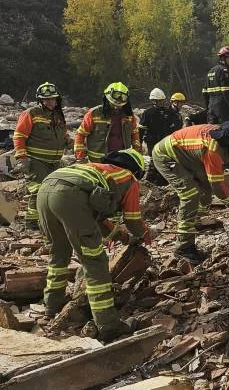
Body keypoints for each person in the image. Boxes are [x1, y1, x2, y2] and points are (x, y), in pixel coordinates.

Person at [38, 148, 151, 341]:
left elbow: (98, 220)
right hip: (70, 196)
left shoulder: (97, 170)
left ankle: (52, 305)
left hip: (46, 190)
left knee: (59, 252)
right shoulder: (128, 178)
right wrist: (146, 235)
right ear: (136, 170)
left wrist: (124, 238)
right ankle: (108, 324)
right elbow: (133, 220)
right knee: (95, 261)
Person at [151, 123, 229, 263]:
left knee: (205, 192)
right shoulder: (213, 148)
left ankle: (195, 221)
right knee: (190, 194)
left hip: (190, 156)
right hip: (168, 156)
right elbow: (219, 188)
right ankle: (183, 247)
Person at [12, 82, 70, 230]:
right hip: (36, 160)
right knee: (38, 190)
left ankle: (48, 219)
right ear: (40, 100)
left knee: (54, 191)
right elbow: (19, 136)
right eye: (46, 99)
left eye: (52, 99)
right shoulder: (31, 113)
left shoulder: (58, 115)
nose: (50, 101)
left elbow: (63, 135)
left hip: (55, 161)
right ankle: (31, 222)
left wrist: (71, 143)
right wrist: (22, 157)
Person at [74, 82, 142, 163]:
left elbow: (135, 134)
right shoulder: (94, 114)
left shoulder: (129, 116)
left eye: (120, 103)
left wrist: (137, 152)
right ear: (107, 98)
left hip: (121, 160)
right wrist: (80, 157)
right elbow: (80, 134)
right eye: (114, 103)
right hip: (98, 161)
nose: (117, 106)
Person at [139, 88, 182, 185]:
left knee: (165, 162)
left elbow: (174, 128)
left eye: (163, 101)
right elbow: (141, 130)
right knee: (154, 161)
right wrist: (139, 143)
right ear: (153, 101)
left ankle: (163, 182)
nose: (162, 103)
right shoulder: (148, 113)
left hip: (165, 142)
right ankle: (150, 182)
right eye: (160, 101)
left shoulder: (168, 112)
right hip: (152, 142)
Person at [203, 46, 229, 124]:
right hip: (223, 110)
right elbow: (226, 93)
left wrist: (208, 108)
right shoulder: (225, 71)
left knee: (212, 133)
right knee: (226, 133)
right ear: (223, 58)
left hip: (211, 110)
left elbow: (204, 92)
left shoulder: (210, 71)